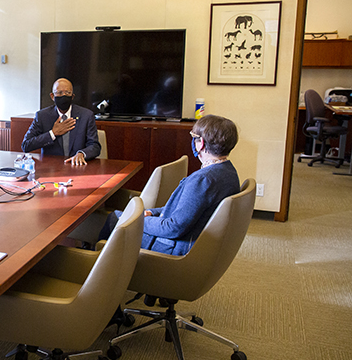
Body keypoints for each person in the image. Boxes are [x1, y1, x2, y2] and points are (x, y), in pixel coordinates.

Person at [99, 114, 241, 256]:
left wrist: (140, 219)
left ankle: (96, 267)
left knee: (114, 218)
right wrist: (153, 213)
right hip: (193, 241)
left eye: (194, 137)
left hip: (171, 247)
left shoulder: (202, 180)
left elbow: (173, 228)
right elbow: (185, 210)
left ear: (201, 143)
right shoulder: (229, 172)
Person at [21, 78, 101, 166]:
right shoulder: (42, 116)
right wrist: (52, 133)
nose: (63, 96)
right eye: (59, 93)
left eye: (67, 93)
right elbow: (26, 145)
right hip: (51, 168)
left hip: (78, 166)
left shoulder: (86, 115)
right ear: (52, 96)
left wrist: (82, 154)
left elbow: (95, 146)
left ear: (72, 96)